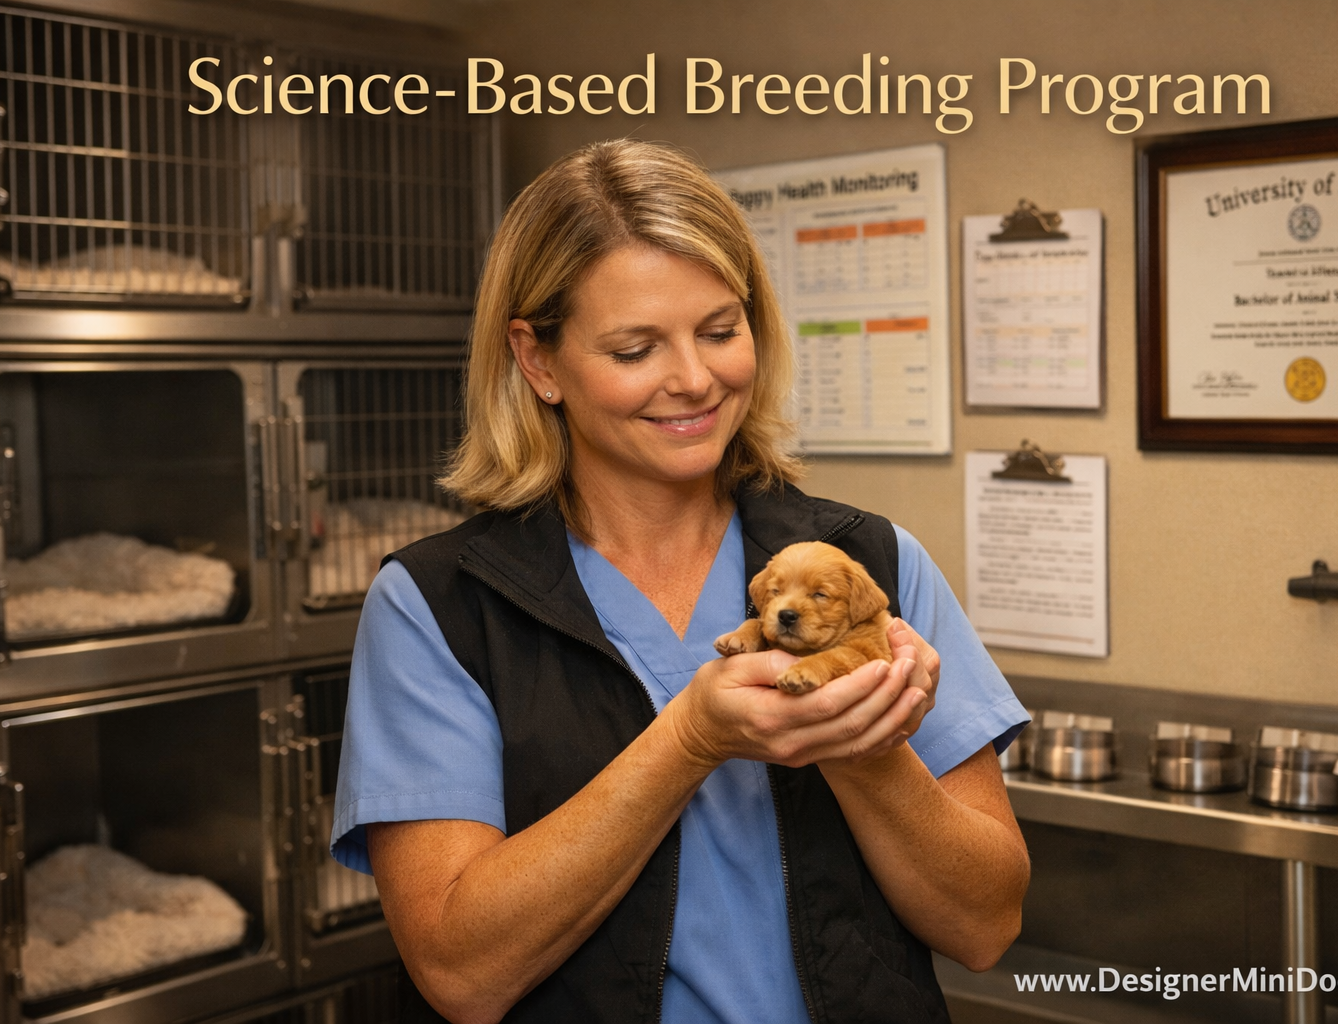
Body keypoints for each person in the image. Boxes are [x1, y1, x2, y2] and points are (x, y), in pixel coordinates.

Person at [331, 139, 1031, 1024]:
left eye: (719, 331)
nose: (695, 381)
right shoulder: (438, 606)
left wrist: (861, 748)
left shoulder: (872, 568)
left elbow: (987, 925)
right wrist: (690, 738)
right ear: (539, 362)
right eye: (634, 349)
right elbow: (462, 974)